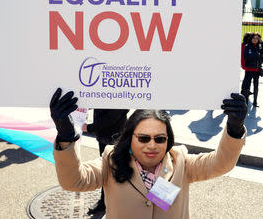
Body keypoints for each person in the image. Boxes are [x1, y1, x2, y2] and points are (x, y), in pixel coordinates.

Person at [51, 88, 247, 219]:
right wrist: (66, 136)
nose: (152, 145)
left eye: (160, 139)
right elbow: (73, 181)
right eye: (144, 138)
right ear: (130, 138)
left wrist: (235, 129)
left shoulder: (181, 162)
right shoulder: (111, 160)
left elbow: (221, 164)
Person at [82, 108, 129, 215]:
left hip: (114, 136)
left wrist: (89, 127)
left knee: (113, 170)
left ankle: (109, 203)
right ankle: (105, 202)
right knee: (108, 169)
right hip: (106, 135)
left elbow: (112, 115)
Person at [241, 32, 263, 107]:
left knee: (256, 87)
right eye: (254, 38)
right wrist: (256, 54)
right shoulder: (247, 46)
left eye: (257, 38)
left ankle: (255, 102)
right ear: (251, 38)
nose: (255, 39)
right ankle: (245, 102)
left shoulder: (259, 46)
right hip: (249, 70)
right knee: (247, 87)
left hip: (256, 71)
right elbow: (246, 57)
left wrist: (262, 42)